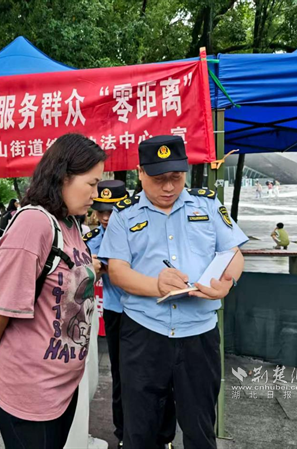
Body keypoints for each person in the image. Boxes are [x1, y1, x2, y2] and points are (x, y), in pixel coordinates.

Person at [99, 135, 247, 449]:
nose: (168, 187)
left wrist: (228, 282)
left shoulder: (207, 205)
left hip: (199, 335)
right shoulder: (124, 215)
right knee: (141, 430)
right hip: (144, 334)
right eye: (158, 179)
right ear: (140, 173)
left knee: (200, 427)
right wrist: (156, 285)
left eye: (176, 177)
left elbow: (233, 253)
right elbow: (117, 271)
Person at [0, 134, 106, 449]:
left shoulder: (70, 224)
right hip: (29, 390)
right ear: (63, 177)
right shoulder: (34, 224)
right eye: (91, 184)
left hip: (62, 386)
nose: (96, 193)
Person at [83, 180, 177, 449]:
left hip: (150, 311)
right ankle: (124, 432)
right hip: (117, 313)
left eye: (111, 211)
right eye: (101, 211)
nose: (105, 217)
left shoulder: (145, 230)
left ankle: (163, 435)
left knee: (161, 374)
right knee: (122, 376)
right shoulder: (92, 239)